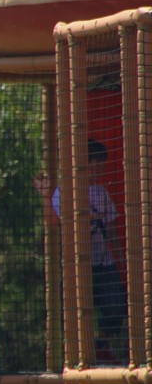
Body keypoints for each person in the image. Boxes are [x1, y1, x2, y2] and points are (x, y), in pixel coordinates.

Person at [34, 140, 128, 362]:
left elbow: (111, 229)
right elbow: (53, 222)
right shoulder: (65, 191)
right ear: (86, 163)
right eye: (96, 163)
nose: (100, 169)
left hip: (104, 262)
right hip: (78, 264)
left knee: (116, 305)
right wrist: (45, 196)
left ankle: (101, 344)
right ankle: (80, 356)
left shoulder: (101, 192)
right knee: (79, 312)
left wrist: (122, 258)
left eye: (102, 164)